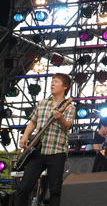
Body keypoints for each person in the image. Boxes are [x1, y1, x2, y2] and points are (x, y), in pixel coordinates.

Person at [15, 73, 75, 206]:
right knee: (24, 187)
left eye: (56, 82)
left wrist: (60, 118)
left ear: (65, 86)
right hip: (38, 151)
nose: (52, 84)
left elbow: (67, 126)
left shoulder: (69, 107)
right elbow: (33, 122)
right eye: (52, 81)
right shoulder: (42, 103)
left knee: (55, 190)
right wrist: (25, 136)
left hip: (56, 151)